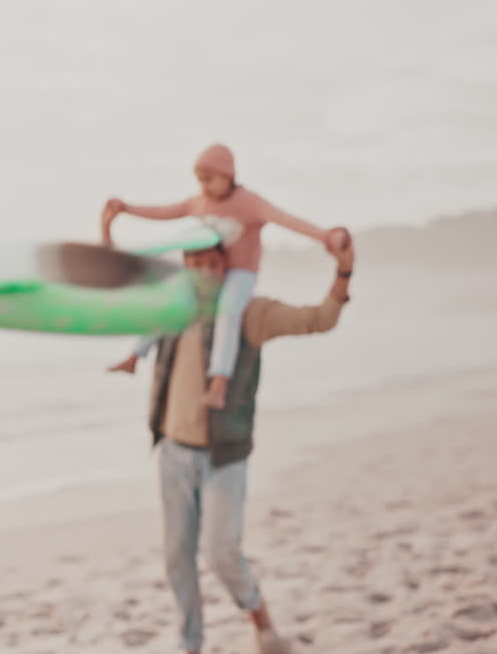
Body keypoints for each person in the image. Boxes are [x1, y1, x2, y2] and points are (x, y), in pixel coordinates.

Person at [108, 235, 355, 654]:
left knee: (222, 552)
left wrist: (344, 271)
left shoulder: (248, 313)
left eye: (213, 264)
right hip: (172, 452)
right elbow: (119, 299)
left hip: (224, 457)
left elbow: (320, 319)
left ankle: (263, 626)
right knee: (176, 559)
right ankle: (191, 643)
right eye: (195, 264)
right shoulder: (172, 310)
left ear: (229, 266)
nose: (205, 273)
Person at [101, 143, 348, 408]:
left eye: (209, 179)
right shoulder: (198, 203)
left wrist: (324, 236)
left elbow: (286, 220)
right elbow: (163, 212)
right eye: (199, 180)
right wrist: (127, 208)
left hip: (240, 273)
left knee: (228, 312)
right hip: (208, 275)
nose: (204, 186)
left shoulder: (249, 203)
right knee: (171, 304)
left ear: (228, 176)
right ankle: (135, 356)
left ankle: (219, 383)